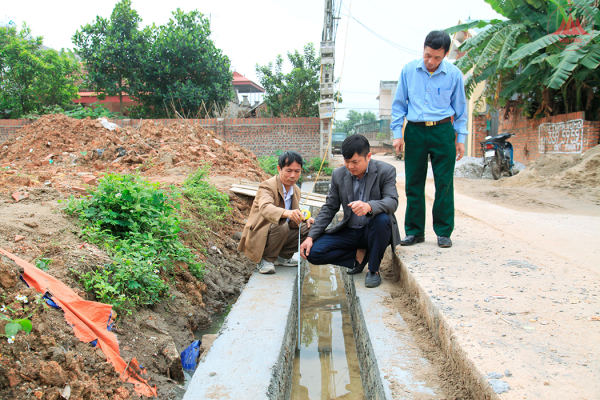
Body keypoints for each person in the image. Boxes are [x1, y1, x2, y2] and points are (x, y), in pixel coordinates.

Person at [391, 30, 467, 249]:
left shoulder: (454, 74)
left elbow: (461, 110)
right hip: (415, 131)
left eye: (437, 57)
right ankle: (414, 232)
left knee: (444, 182)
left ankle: (443, 232)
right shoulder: (408, 71)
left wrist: (460, 138)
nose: (431, 61)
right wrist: (398, 135)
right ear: (423, 49)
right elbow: (398, 106)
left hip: (443, 131)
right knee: (414, 182)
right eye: (427, 55)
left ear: (445, 55)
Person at [300, 134, 401, 288]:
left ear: (368, 156)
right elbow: (330, 207)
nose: (350, 167)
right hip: (351, 230)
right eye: (346, 162)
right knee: (313, 253)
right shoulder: (338, 174)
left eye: (355, 162)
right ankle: (359, 255)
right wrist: (310, 237)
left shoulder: (385, 171)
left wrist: (369, 207)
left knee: (382, 220)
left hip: (374, 230)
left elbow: (392, 201)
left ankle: (373, 270)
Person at [237, 151, 314, 274]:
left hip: (280, 233)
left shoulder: (296, 190)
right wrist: (286, 213)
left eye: (297, 171)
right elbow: (265, 207)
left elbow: (293, 217)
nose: (293, 175)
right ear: (279, 169)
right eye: (289, 171)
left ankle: (282, 256)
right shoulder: (267, 186)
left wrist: (305, 219)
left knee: (312, 228)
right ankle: (266, 259)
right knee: (281, 224)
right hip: (261, 233)